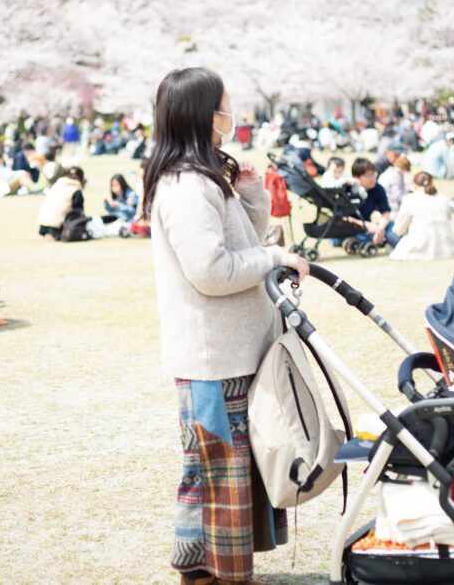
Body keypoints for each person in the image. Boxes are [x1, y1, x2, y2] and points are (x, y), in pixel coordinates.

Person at [143, 67, 308, 585]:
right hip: (214, 355)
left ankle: (197, 568)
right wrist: (275, 255)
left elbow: (237, 242)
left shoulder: (204, 175)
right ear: (202, 114)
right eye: (225, 105)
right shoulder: (187, 186)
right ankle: (224, 574)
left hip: (230, 349)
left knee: (215, 467)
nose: (231, 114)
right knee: (222, 471)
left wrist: (252, 193)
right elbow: (212, 272)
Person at [389, 172, 454, 261]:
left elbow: (399, 230)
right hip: (446, 248)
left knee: (389, 234)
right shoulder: (444, 199)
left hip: (418, 248)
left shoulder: (409, 200)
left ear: (414, 185)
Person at [349, 157, 398, 248]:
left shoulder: (378, 188)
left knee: (392, 225)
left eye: (373, 174)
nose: (372, 179)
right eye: (368, 176)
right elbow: (342, 217)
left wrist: (379, 229)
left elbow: (386, 212)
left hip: (370, 227)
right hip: (351, 228)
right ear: (357, 178)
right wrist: (365, 224)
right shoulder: (348, 190)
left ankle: (395, 244)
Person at [37, 166, 85, 240]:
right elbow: (78, 212)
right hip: (56, 226)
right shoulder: (75, 190)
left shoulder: (57, 185)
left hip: (43, 224)